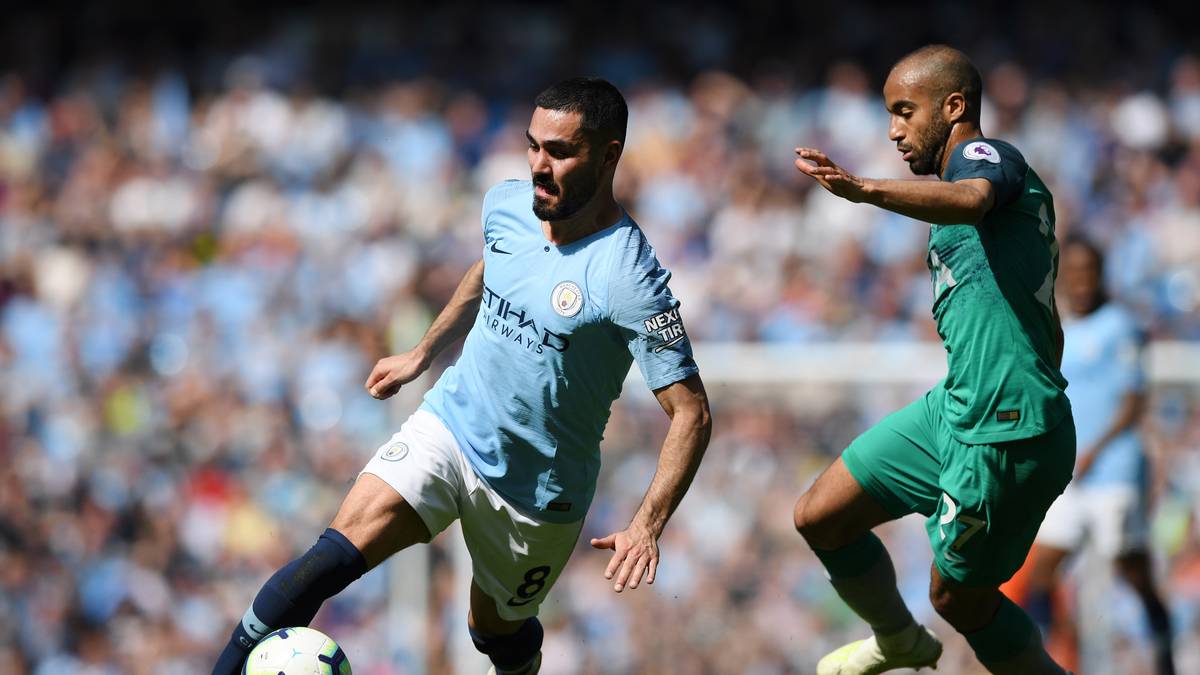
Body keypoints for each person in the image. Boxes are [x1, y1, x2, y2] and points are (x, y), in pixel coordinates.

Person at [211, 77, 712, 675]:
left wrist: (647, 525)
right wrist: (423, 351)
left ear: (609, 156)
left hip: (536, 493)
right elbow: (491, 267)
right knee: (330, 559)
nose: (539, 166)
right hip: (450, 426)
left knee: (492, 631)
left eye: (559, 152)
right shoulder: (507, 204)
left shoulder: (631, 277)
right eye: (533, 146)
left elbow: (691, 412)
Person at [791, 45, 1075, 674]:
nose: (893, 130)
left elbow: (974, 197)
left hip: (1003, 430)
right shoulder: (959, 204)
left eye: (904, 110)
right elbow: (1043, 321)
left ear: (953, 107)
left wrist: (862, 190)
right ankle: (898, 640)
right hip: (956, 408)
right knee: (820, 516)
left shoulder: (989, 159)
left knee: (957, 599)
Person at [1021, 238, 1175, 674]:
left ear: (1101, 274)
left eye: (1089, 271)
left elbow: (1134, 400)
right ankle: (1042, 661)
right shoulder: (1062, 327)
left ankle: (1164, 655)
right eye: (1073, 272)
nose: (1081, 280)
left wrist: (1095, 449)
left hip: (1113, 471)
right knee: (1041, 573)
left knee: (1132, 571)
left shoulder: (1120, 326)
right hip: (1070, 473)